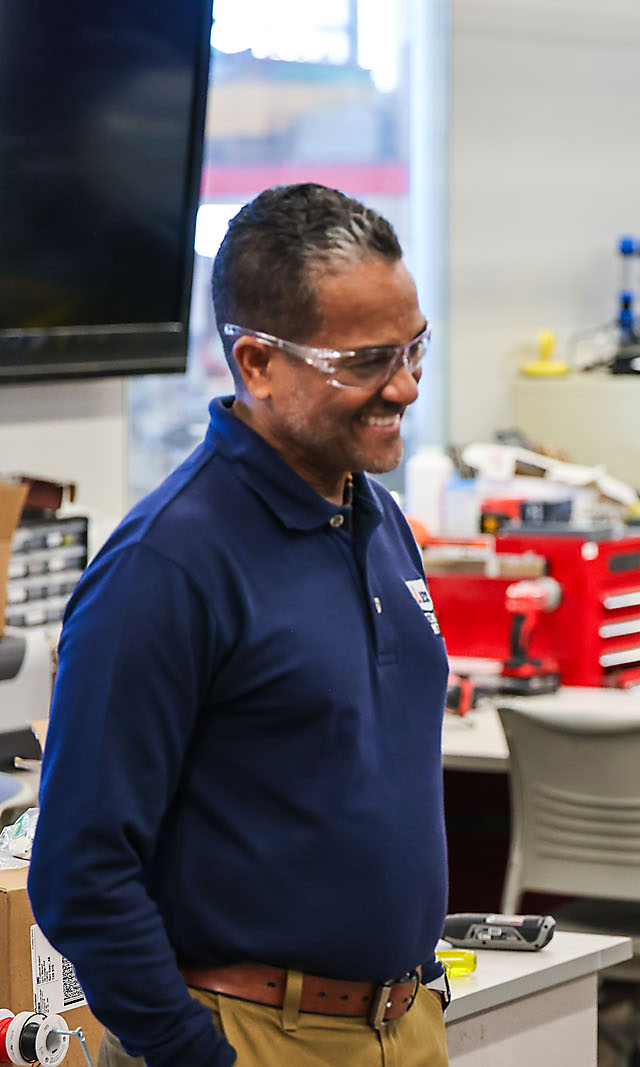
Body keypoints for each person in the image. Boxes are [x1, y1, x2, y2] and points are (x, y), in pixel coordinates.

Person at [29, 183, 450, 1067]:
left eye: (414, 347)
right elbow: (81, 870)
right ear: (256, 363)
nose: (405, 385)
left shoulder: (378, 521)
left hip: (401, 1024)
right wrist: (195, 1054)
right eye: (367, 361)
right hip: (247, 1033)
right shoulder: (165, 565)